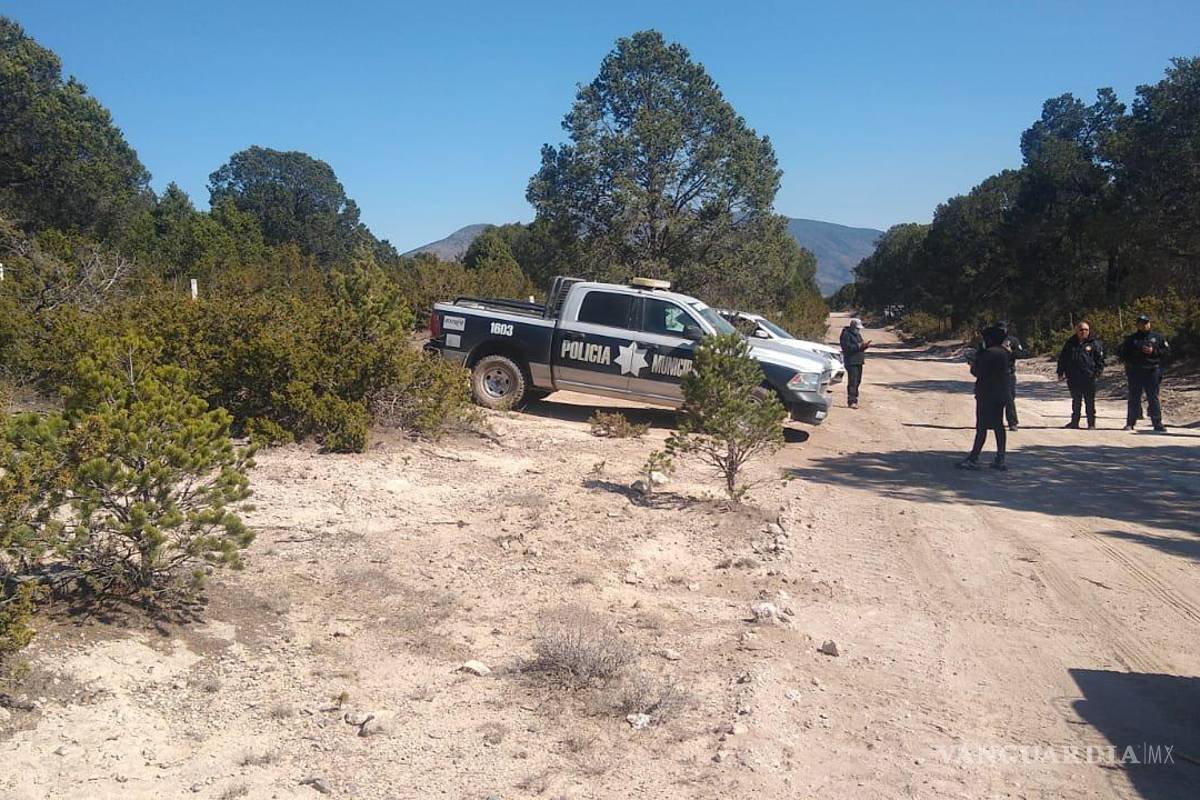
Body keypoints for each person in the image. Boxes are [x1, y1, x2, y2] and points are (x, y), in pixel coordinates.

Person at [958, 327, 1009, 470]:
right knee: (999, 425)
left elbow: (978, 372)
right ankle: (1000, 458)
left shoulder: (989, 353)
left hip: (987, 393)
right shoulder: (1004, 352)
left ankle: (973, 458)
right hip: (1001, 393)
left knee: (981, 426)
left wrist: (973, 362)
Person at [1117, 313, 1170, 432]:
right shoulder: (1131, 339)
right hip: (1136, 372)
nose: (1144, 325)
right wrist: (1134, 357)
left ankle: (1157, 423)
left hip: (1152, 371)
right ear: (1137, 325)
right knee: (1134, 398)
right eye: (1141, 323)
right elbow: (1122, 354)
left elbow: (1167, 351)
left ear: (1149, 323)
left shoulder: (1157, 337)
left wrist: (1153, 351)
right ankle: (1130, 423)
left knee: (1153, 398)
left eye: (1146, 323)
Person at [978, 320, 1027, 431]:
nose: (1001, 332)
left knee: (1009, 398)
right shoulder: (989, 340)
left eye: (1003, 330)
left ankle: (1012, 422)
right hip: (991, 374)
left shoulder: (1012, 340)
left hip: (1008, 373)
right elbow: (981, 353)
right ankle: (992, 422)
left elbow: (1022, 354)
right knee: (991, 398)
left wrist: (1010, 351)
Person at [1056, 321, 1105, 429]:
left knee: (1089, 401)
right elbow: (1063, 358)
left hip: (1089, 377)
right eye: (1081, 330)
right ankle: (1074, 422)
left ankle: (1091, 423)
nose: (1083, 332)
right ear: (1077, 331)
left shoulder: (1094, 343)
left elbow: (1100, 360)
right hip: (1074, 377)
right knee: (1076, 400)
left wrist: (1097, 373)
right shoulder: (1070, 342)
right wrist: (1060, 371)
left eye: (1086, 330)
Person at [839, 318, 871, 409]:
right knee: (852, 381)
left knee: (857, 381)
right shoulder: (846, 334)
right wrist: (858, 346)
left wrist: (864, 346)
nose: (858, 330)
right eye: (857, 328)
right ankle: (852, 401)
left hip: (858, 361)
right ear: (852, 327)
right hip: (851, 361)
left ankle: (855, 399)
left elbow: (859, 346)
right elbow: (847, 347)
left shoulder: (858, 335)